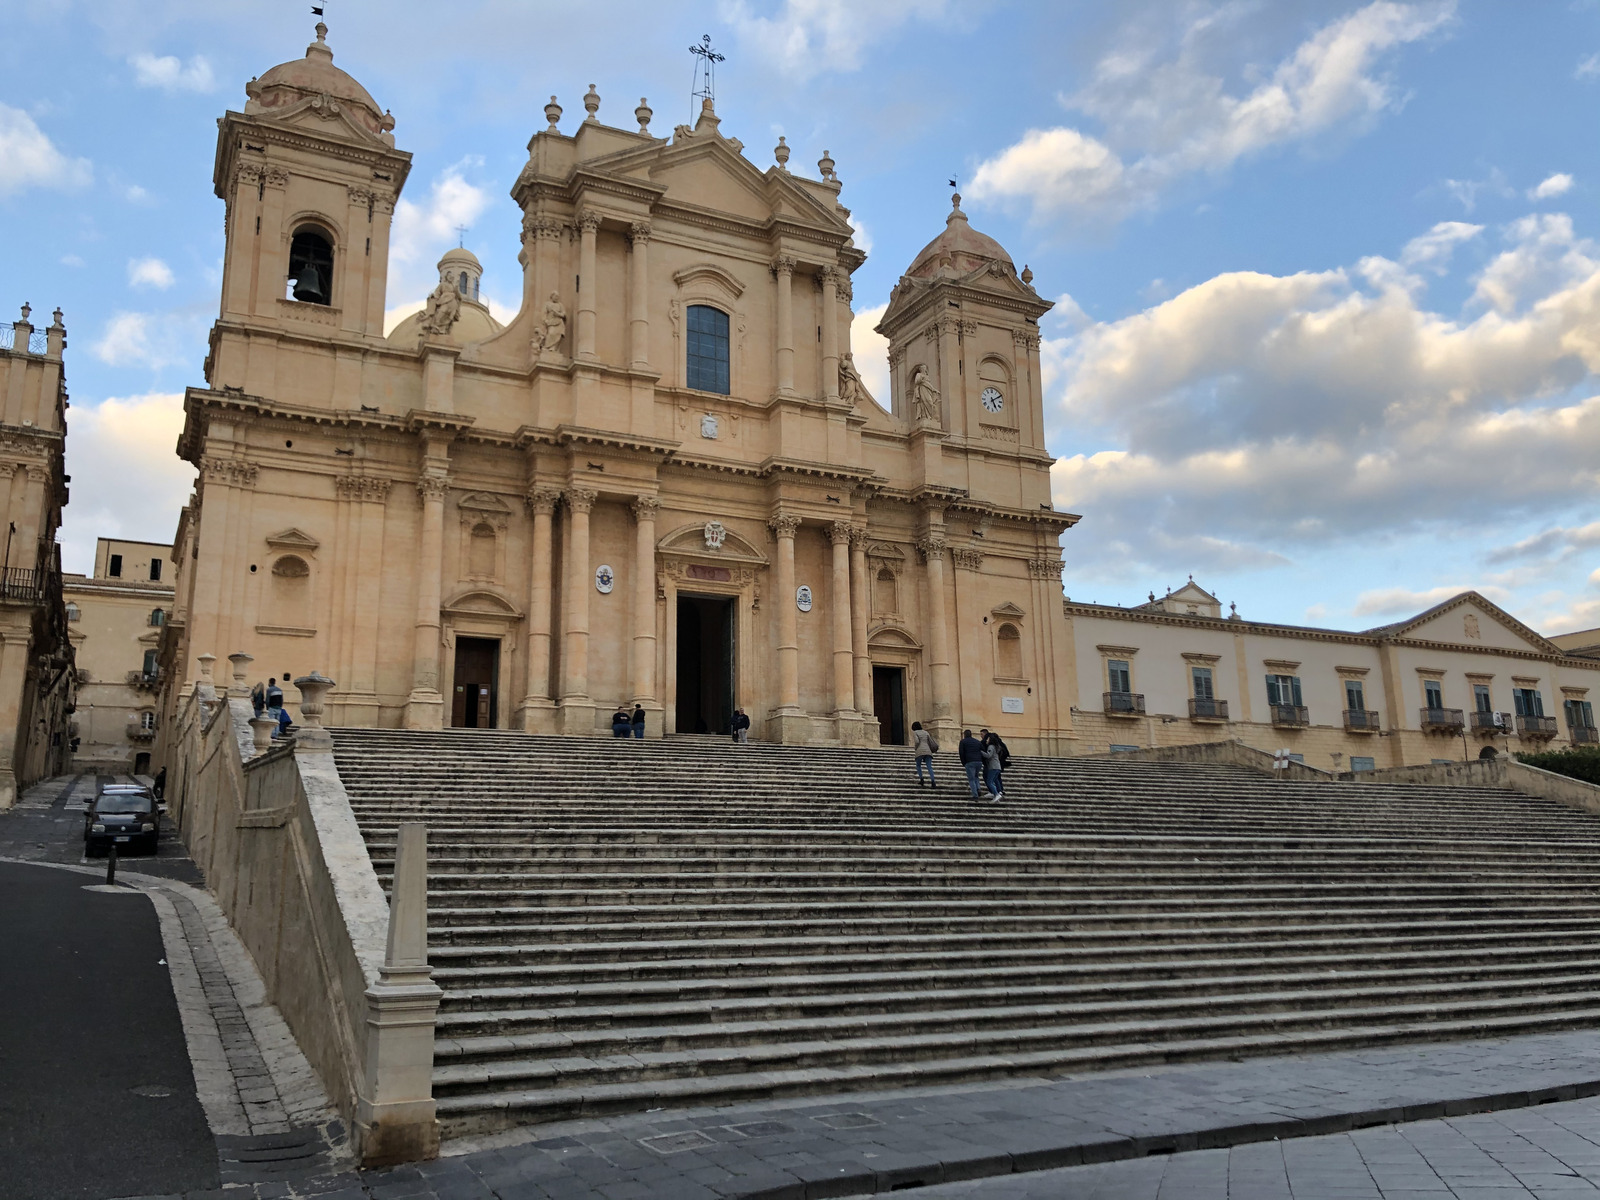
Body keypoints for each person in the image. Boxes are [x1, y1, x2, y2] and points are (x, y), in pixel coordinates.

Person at [911, 721, 939, 787]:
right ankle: (933, 781)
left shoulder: (915, 732)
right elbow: (930, 741)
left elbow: (917, 741)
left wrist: (916, 748)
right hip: (928, 751)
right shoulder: (925, 732)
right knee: (929, 767)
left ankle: (921, 779)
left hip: (920, 751)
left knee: (918, 765)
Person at [958, 729, 984, 799]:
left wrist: (963, 762)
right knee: (976, 776)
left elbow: (961, 753)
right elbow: (982, 750)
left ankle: (975, 795)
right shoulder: (977, 741)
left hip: (970, 761)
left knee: (971, 779)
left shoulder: (963, 742)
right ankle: (978, 788)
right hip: (979, 761)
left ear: (964, 735)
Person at [980, 730, 1004, 803]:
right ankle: (995, 794)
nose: (987, 740)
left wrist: (980, 751)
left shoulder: (991, 746)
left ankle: (996, 794)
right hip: (997, 766)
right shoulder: (997, 747)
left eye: (988, 739)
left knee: (989, 782)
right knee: (993, 781)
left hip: (993, 766)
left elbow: (988, 755)